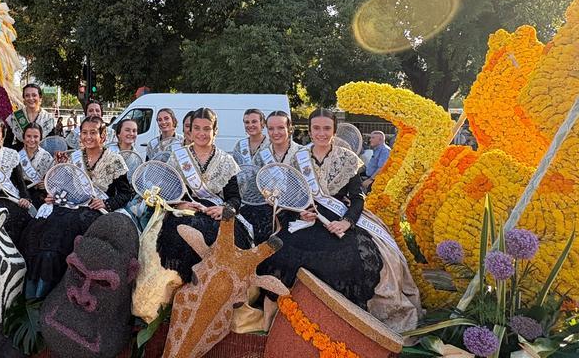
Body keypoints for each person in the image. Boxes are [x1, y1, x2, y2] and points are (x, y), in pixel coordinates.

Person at [259, 109, 420, 331]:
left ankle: (341, 322)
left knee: (349, 257)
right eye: (316, 128)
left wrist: (346, 222)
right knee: (282, 252)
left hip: (339, 216)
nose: (321, 133)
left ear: (334, 130)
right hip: (308, 218)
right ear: (310, 130)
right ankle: (288, 319)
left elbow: (357, 198)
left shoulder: (348, 159)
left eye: (327, 128)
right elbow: (292, 197)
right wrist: (299, 213)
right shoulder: (298, 158)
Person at [21, 116, 133, 299]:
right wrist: (54, 195)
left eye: (93, 132)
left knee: (66, 227)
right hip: (71, 204)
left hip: (93, 209)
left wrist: (107, 203)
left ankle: (57, 285)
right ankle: (35, 283)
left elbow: (126, 193)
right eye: (84, 133)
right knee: (40, 226)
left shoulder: (114, 160)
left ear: (103, 136)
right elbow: (65, 184)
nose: (88, 137)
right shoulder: (75, 157)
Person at [159, 108, 251, 283]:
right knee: (180, 235)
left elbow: (234, 198)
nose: (202, 133)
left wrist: (225, 208)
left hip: (214, 212)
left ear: (215, 131)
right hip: (185, 211)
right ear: (190, 131)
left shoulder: (226, 161)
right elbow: (167, 192)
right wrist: (179, 205)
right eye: (197, 128)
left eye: (207, 128)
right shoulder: (177, 157)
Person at [245, 110, 301, 244]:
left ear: (290, 128)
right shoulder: (261, 156)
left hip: (295, 211)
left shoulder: (302, 154)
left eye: (281, 127)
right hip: (265, 210)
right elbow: (253, 186)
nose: (276, 132)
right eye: (271, 128)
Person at [6, 83, 55, 150]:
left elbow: (52, 145)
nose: (31, 98)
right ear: (24, 99)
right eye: (27, 95)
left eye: (34, 95)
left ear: (40, 98)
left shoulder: (48, 119)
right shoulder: (14, 117)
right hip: (20, 157)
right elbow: (7, 144)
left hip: (42, 158)